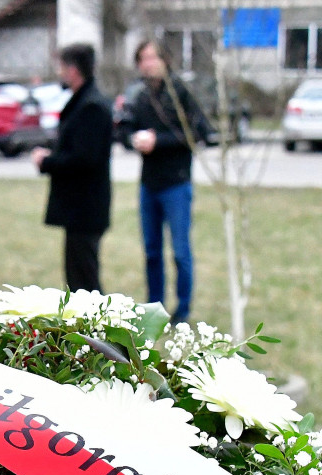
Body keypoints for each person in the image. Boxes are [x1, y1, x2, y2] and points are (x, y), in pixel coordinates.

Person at [117, 39, 212, 325]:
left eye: (153, 57)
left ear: (165, 60)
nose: (148, 63)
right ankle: (154, 307)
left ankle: (182, 309)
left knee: (181, 252)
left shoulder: (180, 92)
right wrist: (133, 139)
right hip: (149, 184)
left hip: (177, 183)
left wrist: (159, 140)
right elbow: (123, 129)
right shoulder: (139, 95)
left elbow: (198, 132)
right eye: (143, 58)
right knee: (152, 251)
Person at [31, 43, 114, 293]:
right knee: (77, 276)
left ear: (74, 69)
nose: (60, 73)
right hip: (80, 209)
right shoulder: (84, 102)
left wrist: (46, 161)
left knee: (85, 282)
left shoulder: (91, 107)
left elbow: (84, 159)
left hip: (85, 207)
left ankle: (95, 330)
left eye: (63, 67)